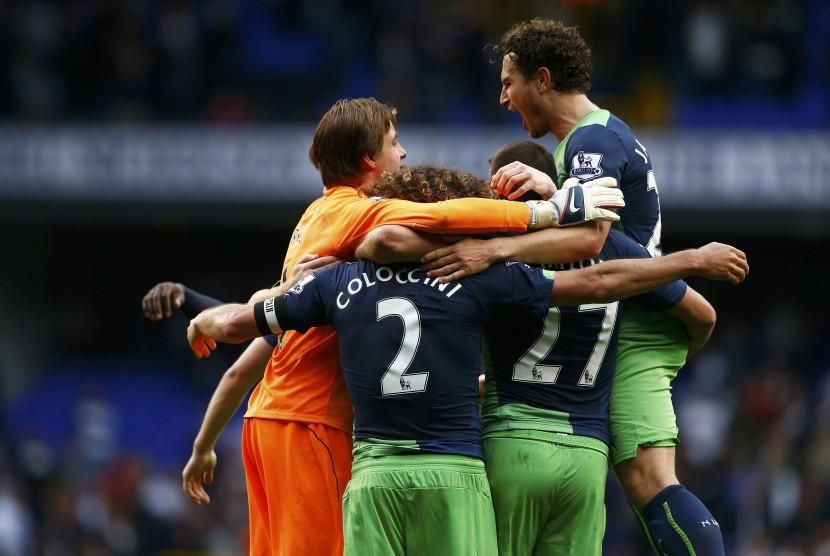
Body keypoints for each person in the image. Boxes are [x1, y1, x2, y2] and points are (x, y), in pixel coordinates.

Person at [142, 97, 625, 555]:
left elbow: (256, 337)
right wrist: (547, 212)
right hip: (316, 423)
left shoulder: (320, 228)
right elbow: (438, 219)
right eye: (394, 142)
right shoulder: (356, 215)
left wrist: (210, 321)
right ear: (370, 159)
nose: (404, 151)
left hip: (267, 419)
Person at [184, 167, 748, 555]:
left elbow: (242, 324)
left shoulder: (334, 282)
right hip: (457, 472)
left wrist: (202, 316)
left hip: (375, 476)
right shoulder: (480, 277)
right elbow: (598, 282)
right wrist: (688, 259)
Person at [421, 19, 727, 555]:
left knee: (650, 480)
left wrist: (496, 248)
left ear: (541, 79)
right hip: (629, 314)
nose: (501, 98)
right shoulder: (586, 143)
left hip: (635, 323)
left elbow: (592, 238)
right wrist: (553, 189)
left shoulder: (590, 139)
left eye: (508, 82)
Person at [364, 143, 717, 555]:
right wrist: (648, 366)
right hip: (587, 457)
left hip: (512, 443)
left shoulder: (489, 249)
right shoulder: (611, 248)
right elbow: (702, 315)